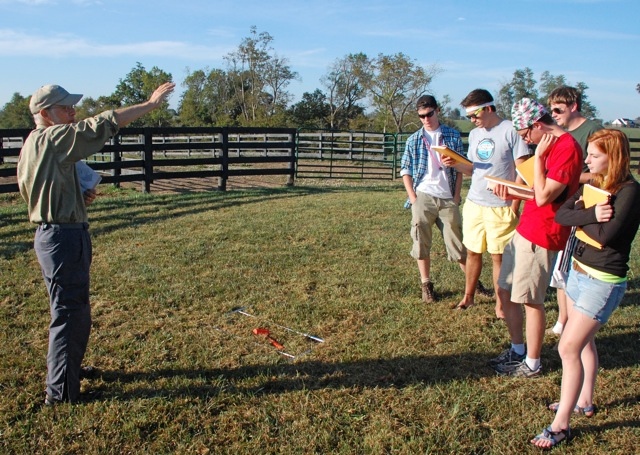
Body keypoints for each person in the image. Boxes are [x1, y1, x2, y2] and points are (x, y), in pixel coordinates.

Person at [17, 81, 175, 405]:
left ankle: (67, 372)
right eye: (65, 108)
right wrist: (149, 104)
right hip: (63, 237)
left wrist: (75, 197)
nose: (73, 113)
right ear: (45, 113)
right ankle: (60, 393)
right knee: (69, 313)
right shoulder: (53, 138)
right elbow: (102, 124)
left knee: (71, 312)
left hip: (55, 234)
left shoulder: (33, 143)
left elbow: (38, 191)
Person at [530, 129, 640, 449]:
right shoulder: (596, 185)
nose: (587, 161)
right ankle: (584, 401)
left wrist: (584, 218)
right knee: (584, 343)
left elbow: (607, 235)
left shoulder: (630, 192)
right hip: (578, 273)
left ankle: (561, 425)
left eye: (594, 155)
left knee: (568, 347)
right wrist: (591, 213)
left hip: (602, 283)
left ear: (613, 157)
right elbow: (564, 213)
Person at [488, 98, 582, 378]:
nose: (527, 142)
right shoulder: (548, 145)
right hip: (526, 228)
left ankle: (532, 362)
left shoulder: (566, 149)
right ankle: (517, 349)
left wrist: (539, 159)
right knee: (505, 289)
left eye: (527, 135)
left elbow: (544, 196)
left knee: (530, 300)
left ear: (538, 125)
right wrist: (511, 191)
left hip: (544, 233)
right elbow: (536, 191)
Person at [444, 89, 529, 317]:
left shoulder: (511, 130)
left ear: (489, 108)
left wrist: (514, 204)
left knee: (498, 256)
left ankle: (500, 305)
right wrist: (454, 163)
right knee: (472, 251)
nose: (472, 121)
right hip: (475, 203)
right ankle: (468, 297)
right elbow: (473, 169)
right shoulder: (474, 135)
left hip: (501, 206)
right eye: (469, 117)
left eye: (475, 115)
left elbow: (522, 168)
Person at [400, 95, 480, 303]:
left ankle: (473, 284)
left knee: (457, 243)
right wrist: (414, 198)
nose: (426, 119)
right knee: (421, 241)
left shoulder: (452, 136)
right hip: (423, 196)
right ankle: (426, 285)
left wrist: (455, 196)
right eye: (421, 116)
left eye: (429, 114)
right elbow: (405, 170)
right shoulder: (414, 139)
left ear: (438, 111)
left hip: (447, 197)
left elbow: (462, 167)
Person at [546, 86, 603, 339]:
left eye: (558, 109)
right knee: (562, 265)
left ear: (574, 106)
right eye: (551, 110)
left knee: (568, 266)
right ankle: (563, 318)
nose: (554, 115)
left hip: (585, 206)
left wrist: (570, 178)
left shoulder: (593, 131)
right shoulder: (561, 134)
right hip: (565, 206)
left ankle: (572, 320)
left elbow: (604, 170)